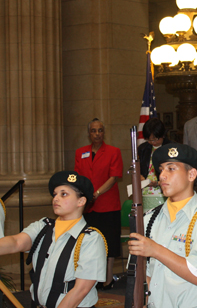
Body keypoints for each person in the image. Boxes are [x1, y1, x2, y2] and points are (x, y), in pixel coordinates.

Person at [128, 143, 197, 308]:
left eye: (171, 169)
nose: (162, 176)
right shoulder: (149, 218)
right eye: (161, 169)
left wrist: (155, 250)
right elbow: (138, 271)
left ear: (191, 174)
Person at [0, 171, 107, 307]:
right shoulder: (43, 227)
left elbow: (81, 290)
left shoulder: (90, 239)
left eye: (64, 194)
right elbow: (16, 242)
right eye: (55, 194)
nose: (56, 198)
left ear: (81, 201)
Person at [75, 118, 123, 290]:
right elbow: (78, 177)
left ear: (104, 132)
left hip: (108, 205)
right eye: (94, 131)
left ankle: (108, 280)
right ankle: (91, 280)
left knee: (109, 244)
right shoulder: (81, 152)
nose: (97, 134)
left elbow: (114, 176)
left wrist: (97, 193)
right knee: (90, 244)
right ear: (89, 133)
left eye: (100, 130)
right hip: (88, 206)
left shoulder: (113, 151)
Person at [138, 118, 172, 211]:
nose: (153, 142)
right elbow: (139, 169)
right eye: (149, 140)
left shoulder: (171, 149)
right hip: (146, 193)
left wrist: (157, 183)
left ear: (163, 135)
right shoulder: (143, 149)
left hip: (165, 192)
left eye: (155, 139)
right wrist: (140, 176)